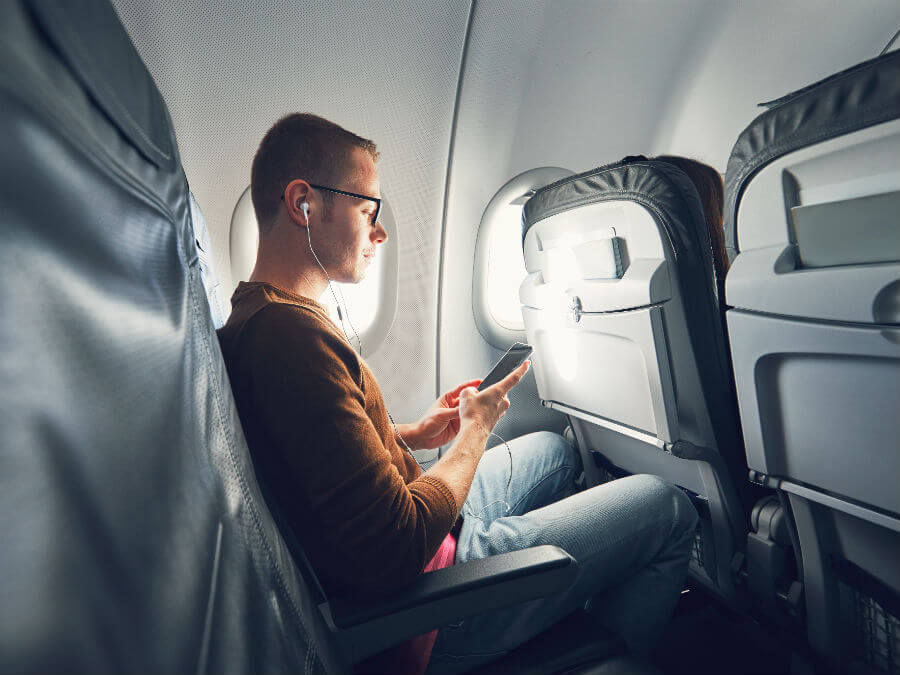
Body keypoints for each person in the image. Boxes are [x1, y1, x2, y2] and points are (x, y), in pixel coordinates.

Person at [217, 113, 698, 674]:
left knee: (552, 451)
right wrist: (475, 431)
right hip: (428, 608)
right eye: (368, 209)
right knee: (667, 507)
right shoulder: (291, 337)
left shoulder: (262, 313)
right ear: (303, 203)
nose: (381, 232)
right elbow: (396, 547)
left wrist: (407, 434)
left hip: (426, 540)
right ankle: (600, 660)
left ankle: (555, 598)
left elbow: (310, 447)